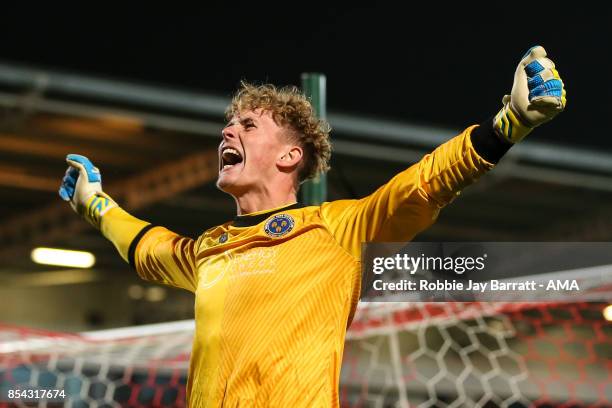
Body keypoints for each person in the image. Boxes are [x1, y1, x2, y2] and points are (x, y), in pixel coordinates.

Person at [59, 46, 565, 407]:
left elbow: (423, 185)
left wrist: (508, 125)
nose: (226, 131)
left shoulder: (335, 230)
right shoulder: (209, 250)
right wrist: (96, 204)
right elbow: (149, 248)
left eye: (247, 125)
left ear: (289, 155)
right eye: (228, 125)